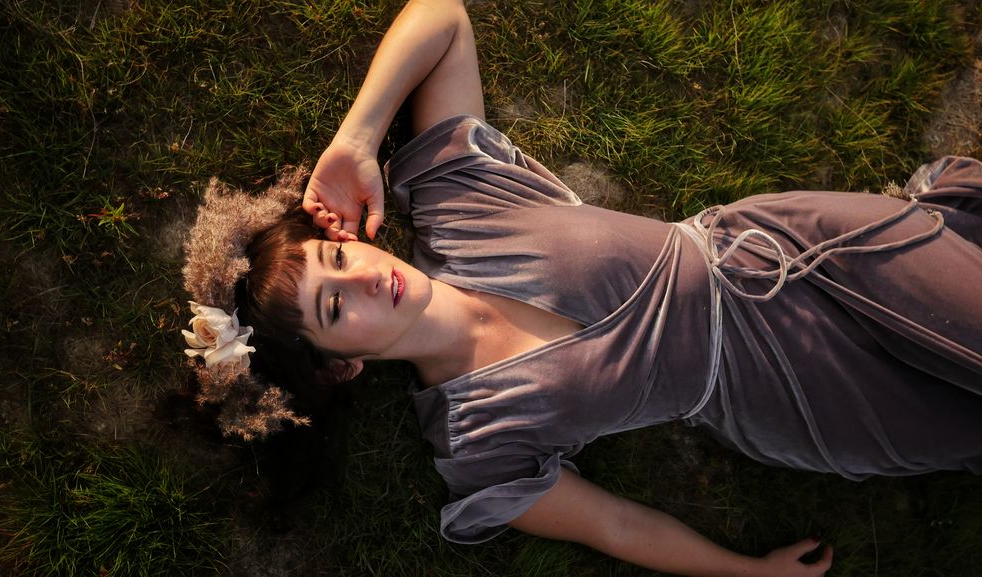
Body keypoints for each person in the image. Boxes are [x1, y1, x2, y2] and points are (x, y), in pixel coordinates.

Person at [180, 1, 982, 575]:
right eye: (334, 307)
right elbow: (615, 523)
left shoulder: (459, 206)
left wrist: (356, 139)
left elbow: (444, 19)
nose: (362, 279)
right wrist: (743, 571)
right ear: (339, 364)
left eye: (336, 257)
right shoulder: (476, 442)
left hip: (798, 251)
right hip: (792, 399)